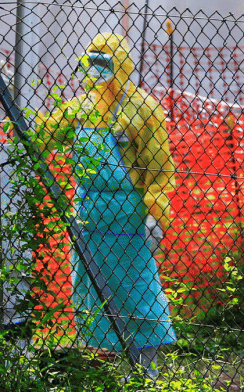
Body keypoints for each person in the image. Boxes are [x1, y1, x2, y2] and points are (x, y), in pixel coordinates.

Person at [35, 32, 177, 379]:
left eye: (105, 63)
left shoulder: (143, 108)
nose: (98, 71)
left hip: (128, 221)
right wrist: (12, 101)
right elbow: (41, 136)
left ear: (121, 65)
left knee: (137, 290)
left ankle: (148, 371)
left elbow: (158, 167)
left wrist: (155, 214)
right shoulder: (80, 107)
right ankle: (117, 371)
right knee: (92, 291)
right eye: (93, 62)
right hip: (88, 219)